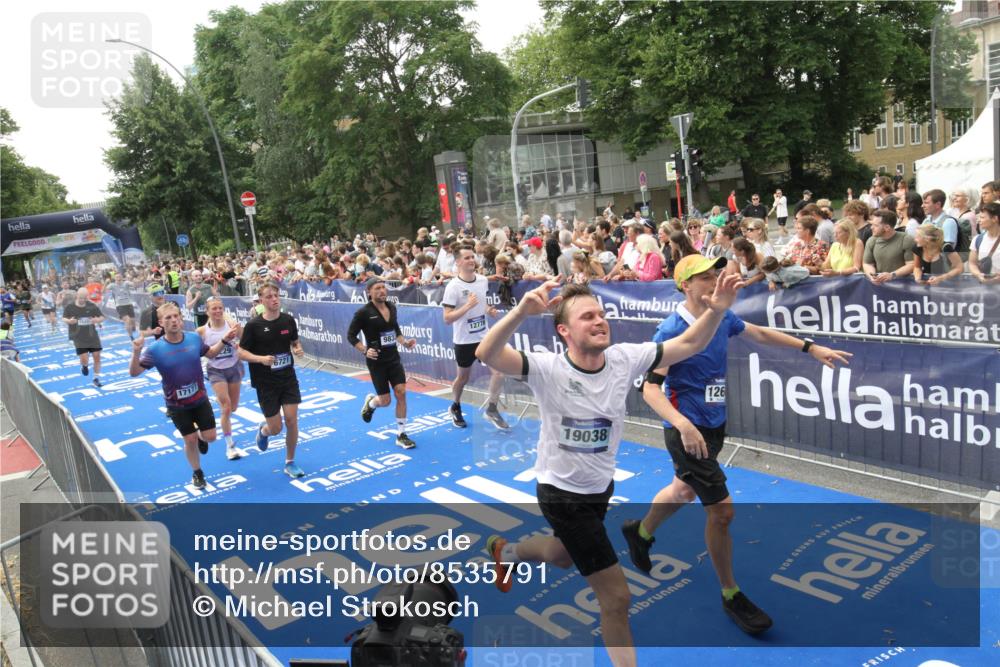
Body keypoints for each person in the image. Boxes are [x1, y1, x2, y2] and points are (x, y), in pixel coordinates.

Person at [474, 275, 743, 667]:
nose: (600, 321)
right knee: (617, 598)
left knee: (562, 555)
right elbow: (487, 353)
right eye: (587, 317)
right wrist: (519, 312)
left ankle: (507, 551)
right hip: (561, 494)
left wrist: (717, 311)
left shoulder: (623, 359)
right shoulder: (547, 368)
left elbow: (689, 343)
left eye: (602, 314)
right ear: (564, 330)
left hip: (599, 489)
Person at [621, 254, 849, 637]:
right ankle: (732, 594)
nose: (714, 280)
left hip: (714, 422)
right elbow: (650, 388)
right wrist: (682, 425)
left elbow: (758, 332)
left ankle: (640, 532)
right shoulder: (670, 330)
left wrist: (810, 348)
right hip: (686, 430)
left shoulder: (722, 317)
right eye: (704, 277)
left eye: (715, 273)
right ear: (685, 286)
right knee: (722, 512)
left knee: (683, 489)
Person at [130, 301, 238, 489]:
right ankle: (197, 472)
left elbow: (211, 354)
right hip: (176, 405)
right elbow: (134, 372)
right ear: (161, 323)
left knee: (211, 437)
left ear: (181, 319)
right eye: (168, 318)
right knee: (189, 439)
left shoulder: (193, 339)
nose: (173, 321)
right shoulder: (155, 349)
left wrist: (225, 340)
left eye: (176, 316)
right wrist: (136, 351)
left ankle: (201, 439)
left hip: (200, 399)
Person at [238, 283, 307, 478]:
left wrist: (297, 349)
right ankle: (264, 431)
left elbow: (294, 341)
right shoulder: (253, 326)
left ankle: (290, 462)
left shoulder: (288, 320)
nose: (274, 299)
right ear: (261, 301)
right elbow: (241, 352)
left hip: (287, 378)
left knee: (292, 420)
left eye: (276, 295)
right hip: (265, 383)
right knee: (276, 428)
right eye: (269, 296)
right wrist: (260, 359)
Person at [442, 247, 509, 430]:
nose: (471, 260)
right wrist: (467, 307)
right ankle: (455, 405)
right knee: (463, 377)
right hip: (464, 340)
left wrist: (488, 310)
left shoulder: (482, 280)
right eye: (467, 258)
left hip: (483, 336)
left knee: (499, 373)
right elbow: (447, 318)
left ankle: (492, 409)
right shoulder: (453, 287)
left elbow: (483, 301)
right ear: (458, 262)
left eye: (472, 257)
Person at [348, 277, 418, 449]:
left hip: (393, 358)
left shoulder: (391, 307)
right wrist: (364, 349)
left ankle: (401, 434)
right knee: (385, 401)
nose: (381, 291)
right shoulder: (363, 312)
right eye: (377, 288)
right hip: (376, 361)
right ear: (369, 292)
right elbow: (351, 335)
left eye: (383, 288)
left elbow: (395, 330)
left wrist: (405, 342)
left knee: (401, 392)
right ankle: (371, 403)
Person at [198, 298, 246, 461]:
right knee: (225, 407)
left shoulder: (232, 325)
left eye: (220, 308)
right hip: (215, 370)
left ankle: (201, 432)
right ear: (207, 311)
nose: (217, 311)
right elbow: (199, 351)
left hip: (233, 367)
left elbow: (245, 341)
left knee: (232, 408)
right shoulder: (202, 332)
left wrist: (239, 345)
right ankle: (230, 446)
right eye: (214, 309)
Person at [62, 287, 105, 386]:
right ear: (77, 296)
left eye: (85, 298)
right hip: (78, 337)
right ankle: (84, 366)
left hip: (92, 335)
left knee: (97, 356)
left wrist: (97, 320)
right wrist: (69, 321)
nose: (83, 300)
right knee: (85, 359)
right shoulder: (70, 307)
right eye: (81, 298)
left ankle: (96, 378)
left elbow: (102, 317)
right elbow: (64, 318)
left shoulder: (91, 306)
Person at [863, 209, 916, 283]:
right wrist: (872, 276)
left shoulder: (906, 239)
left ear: (887, 227)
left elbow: (912, 264)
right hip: (880, 286)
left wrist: (892, 275)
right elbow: (867, 263)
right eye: (872, 224)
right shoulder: (871, 240)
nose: (871, 227)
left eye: (875, 225)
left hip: (903, 286)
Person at [969, 201, 1000, 284]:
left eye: (982, 217)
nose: (979, 220)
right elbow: (972, 263)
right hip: (984, 290)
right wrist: (979, 275)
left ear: (995, 219)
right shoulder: (978, 239)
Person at [107, 273, 137, 339]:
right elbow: (104, 291)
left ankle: (133, 327)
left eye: (120, 277)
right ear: (115, 279)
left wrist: (134, 281)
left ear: (122, 278)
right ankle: (131, 336)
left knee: (132, 321)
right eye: (117, 277)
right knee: (127, 320)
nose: (118, 278)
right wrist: (105, 283)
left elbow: (134, 285)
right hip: (120, 306)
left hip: (129, 304)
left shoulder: (126, 283)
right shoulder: (112, 285)